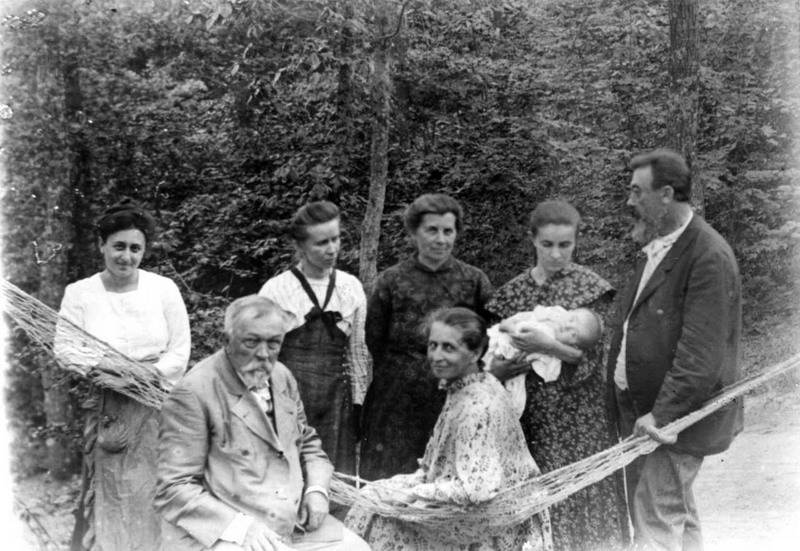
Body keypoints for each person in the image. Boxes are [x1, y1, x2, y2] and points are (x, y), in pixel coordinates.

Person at [155, 295, 370, 551]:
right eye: (251, 342)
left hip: (292, 523)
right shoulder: (194, 391)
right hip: (226, 527)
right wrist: (240, 528)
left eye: (273, 343)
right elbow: (174, 487)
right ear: (227, 341)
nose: (263, 354)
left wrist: (316, 490)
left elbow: (308, 444)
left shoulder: (282, 377)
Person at [607, 149, 743, 550]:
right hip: (646, 414)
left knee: (655, 522)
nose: (629, 201)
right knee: (672, 515)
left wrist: (661, 416)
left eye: (636, 192)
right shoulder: (659, 245)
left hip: (672, 423)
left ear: (666, 194)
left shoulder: (707, 255)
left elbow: (701, 358)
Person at [346, 307, 553, 551]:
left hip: (496, 519)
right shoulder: (471, 384)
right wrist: (397, 489)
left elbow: (476, 489)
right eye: (433, 346)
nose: (436, 356)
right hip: (491, 508)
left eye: (448, 348)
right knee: (372, 496)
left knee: (378, 516)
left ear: (475, 352)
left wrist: (409, 495)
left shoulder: (476, 405)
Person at [486, 200, 627, 551]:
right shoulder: (512, 293)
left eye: (565, 245)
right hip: (534, 417)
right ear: (532, 240)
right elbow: (496, 349)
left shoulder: (591, 288)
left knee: (588, 488)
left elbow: (593, 357)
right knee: (541, 494)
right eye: (547, 244)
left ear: (576, 242)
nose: (555, 254)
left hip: (584, 415)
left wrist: (548, 346)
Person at [55, 198, 191, 551]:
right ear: (102, 245)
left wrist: (147, 374)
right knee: (113, 492)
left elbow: (180, 349)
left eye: (135, 248)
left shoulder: (163, 289)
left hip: (155, 403)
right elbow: (66, 348)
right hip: (108, 404)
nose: (126, 257)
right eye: (118, 246)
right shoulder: (80, 293)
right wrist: (110, 369)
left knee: (154, 490)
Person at [359, 193, 493, 480]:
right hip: (397, 400)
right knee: (391, 479)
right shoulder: (391, 281)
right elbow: (375, 339)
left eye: (448, 231)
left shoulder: (474, 280)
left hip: (455, 398)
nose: (441, 239)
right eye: (432, 230)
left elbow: (488, 339)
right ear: (414, 232)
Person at [258, 201, 370, 475]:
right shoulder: (276, 290)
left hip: (336, 402)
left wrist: (358, 405)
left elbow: (358, 354)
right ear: (301, 246)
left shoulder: (350, 288)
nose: (332, 249)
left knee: (334, 479)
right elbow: (261, 358)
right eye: (321, 243)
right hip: (289, 399)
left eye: (336, 239)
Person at [485, 306, 602, 417]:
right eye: (572, 319)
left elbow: (547, 372)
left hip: (512, 363)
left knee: (514, 399)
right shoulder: (547, 319)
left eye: (573, 334)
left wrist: (540, 355)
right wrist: (510, 327)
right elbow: (521, 324)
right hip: (499, 343)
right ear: (567, 311)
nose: (568, 326)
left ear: (574, 346)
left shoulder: (555, 357)